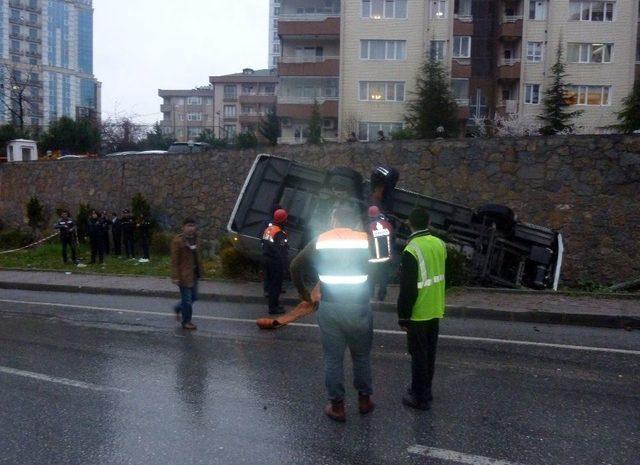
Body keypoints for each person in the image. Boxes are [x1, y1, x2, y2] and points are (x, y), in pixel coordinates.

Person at [290, 207, 375, 422]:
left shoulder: (321, 239)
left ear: (334, 218)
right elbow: (383, 269)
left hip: (330, 307)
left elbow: (294, 266)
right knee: (362, 356)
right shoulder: (365, 239)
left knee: (333, 359)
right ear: (354, 221)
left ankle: (337, 407)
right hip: (358, 306)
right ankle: (364, 401)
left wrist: (305, 294)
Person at [397, 207, 447, 411]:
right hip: (436, 307)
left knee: (418, 355)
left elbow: (408, 288)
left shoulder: (411, 249)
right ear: (428, 223)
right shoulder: (440, 244)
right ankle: (427, 390)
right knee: (429, 354)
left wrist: (403, 316)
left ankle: (419, 397)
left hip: (419, 312)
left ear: (410, 223)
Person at [171, 218, 203, 331]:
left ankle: (177, 308)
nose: (191, 228)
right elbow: (174, 260)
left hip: (194, 274)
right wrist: (175, 276)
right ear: (183, 227)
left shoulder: (197, 239)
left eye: (193, 225)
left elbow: (198, 256)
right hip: (183, 275)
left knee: (194, 297)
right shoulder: (178, 241)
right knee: (187, 300)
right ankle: (186, 322)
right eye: (188, 225)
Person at [261, 209, 289, 315]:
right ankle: (273, 308)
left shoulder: (269, 229)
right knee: (276, 285)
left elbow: (264, 243)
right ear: (283, 220)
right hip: (275, 262)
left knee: (270, 284)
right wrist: (285, 265)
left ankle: (274, 305)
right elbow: (281, 250)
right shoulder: (280, 233)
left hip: (266, 259)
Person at [367, 206, 394, 301]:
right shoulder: (388, 225)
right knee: (383, 275)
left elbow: (368, 242)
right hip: (386, 256)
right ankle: (381, 295)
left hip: (374, 257)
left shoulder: (370, 227)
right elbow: (392, 240)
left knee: (371, 275)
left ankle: (370, 294)